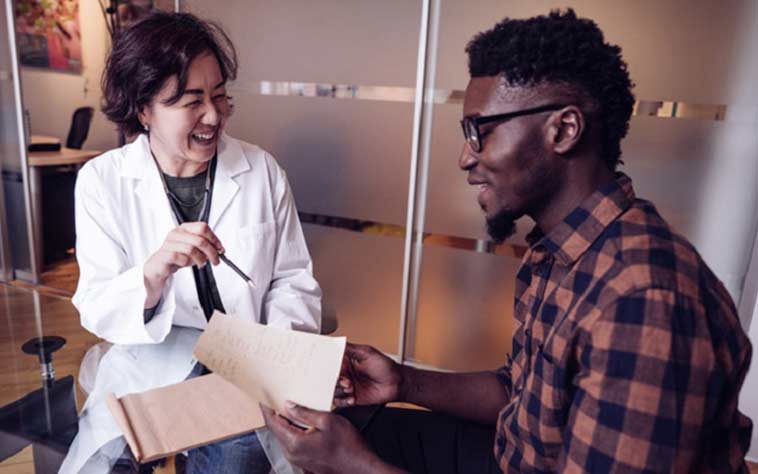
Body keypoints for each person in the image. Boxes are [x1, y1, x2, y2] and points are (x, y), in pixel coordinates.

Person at [261, 9, 753, 474]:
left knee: (344, 454)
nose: (465, 157)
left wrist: (356, 466)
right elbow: (521, 389)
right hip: (515, 457)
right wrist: (403, 381)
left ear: (563, 128)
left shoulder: (643, 303)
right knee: (348, 424)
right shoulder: (563, 250)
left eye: (481, 131)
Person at [59, 11, 321, 474]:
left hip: (247, 362)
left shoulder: (261, 171)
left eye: (220, 96)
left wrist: (278, 358)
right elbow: (98, 304)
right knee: (107, 460)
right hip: (150, 357)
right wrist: (154, 271)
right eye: (191, 101)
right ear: (143, 109)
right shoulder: (103, 181)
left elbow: (292, 279)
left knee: (236, 457)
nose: (214, 116)